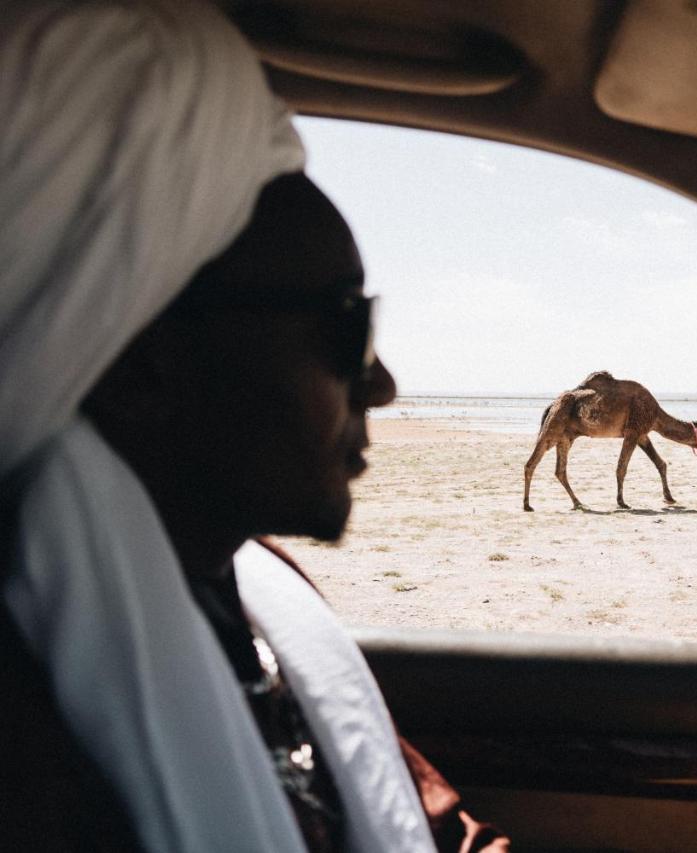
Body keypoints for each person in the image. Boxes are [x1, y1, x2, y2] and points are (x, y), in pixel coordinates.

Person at [0, 1, 505, 850]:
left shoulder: (257, 588)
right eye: (346, 328)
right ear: (144, 363)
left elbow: (417, 817)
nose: (380, 384)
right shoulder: (34, 749)